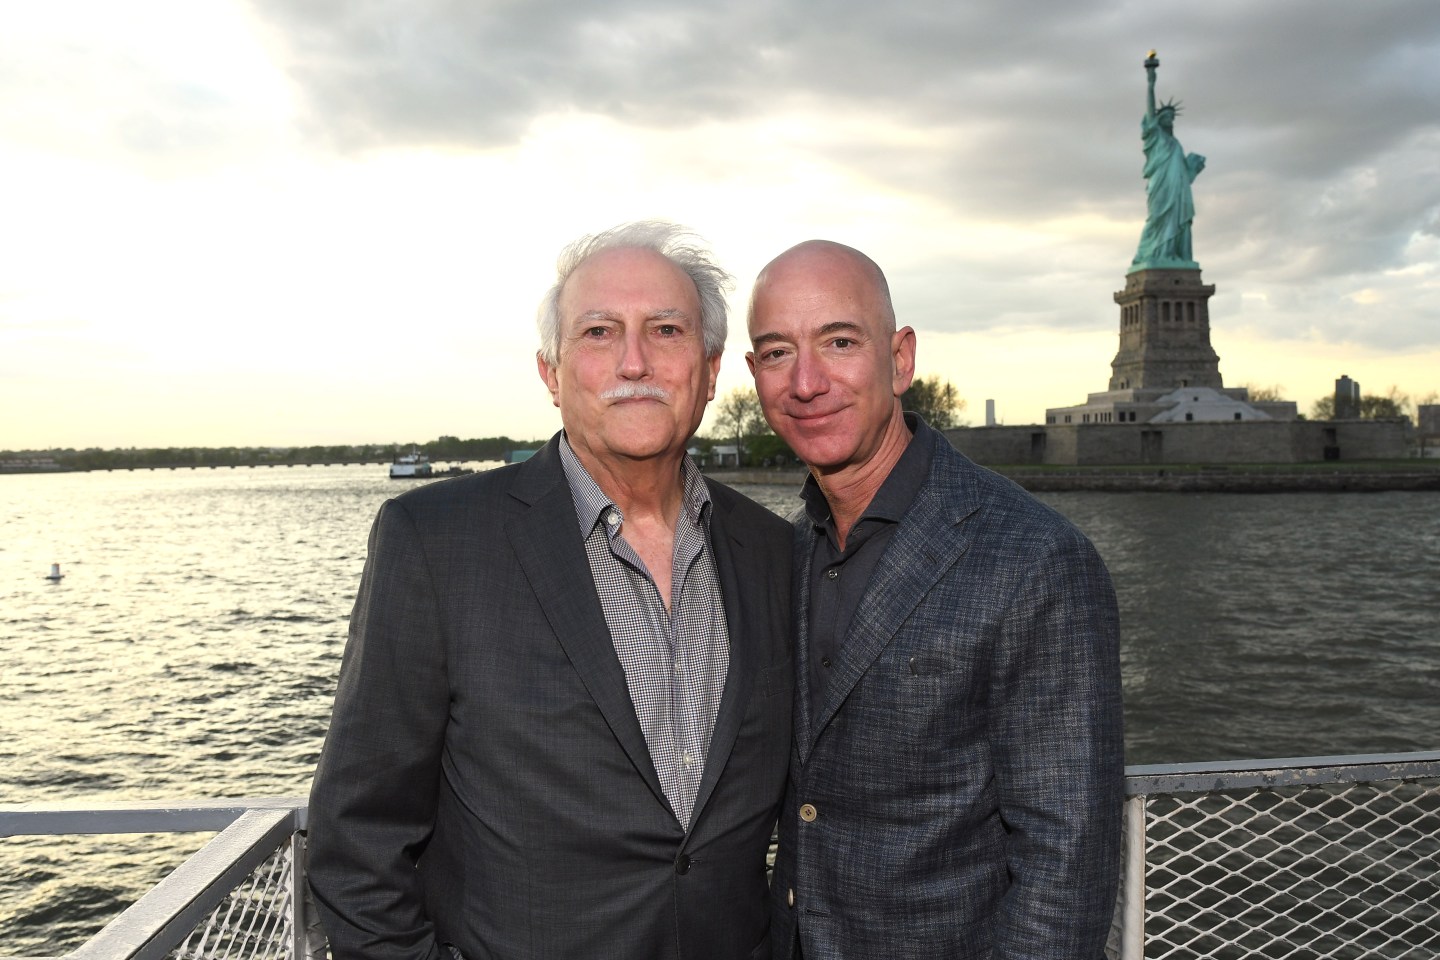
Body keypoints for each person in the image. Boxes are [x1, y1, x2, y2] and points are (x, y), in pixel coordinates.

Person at [308, 221, 794, 960]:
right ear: (551, 373)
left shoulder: (775, 551)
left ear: (709, 366)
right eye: (599, 332)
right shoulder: (436, 541)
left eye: (666, 330)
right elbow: (356, 841)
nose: (635, 361)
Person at [746, 240, 1124, 959]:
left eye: (839, 341)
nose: (806, 381)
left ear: (901, 358)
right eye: (775, 353)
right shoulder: (784, 552)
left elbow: (1066, 862)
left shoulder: (1036, 558)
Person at [1131, 52, 1206, 270]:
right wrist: (1150, 82)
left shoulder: (1176, 144)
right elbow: (1149, 108)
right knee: (1156, 219)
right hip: (1160, 186)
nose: (1170, 121)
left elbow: (1184, 175)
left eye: (1172, 118)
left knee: (1178, 222)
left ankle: (1174, 255)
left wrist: (1194, 169)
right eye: (1166, 117)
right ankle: (1150, 254)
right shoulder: (1155, 137)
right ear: (1158, 120)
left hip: (1178, 191)